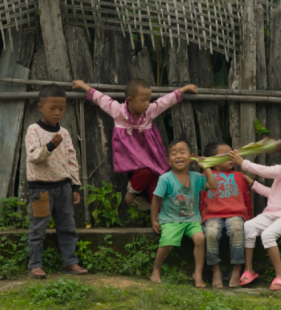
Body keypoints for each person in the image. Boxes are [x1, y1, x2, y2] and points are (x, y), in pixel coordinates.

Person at [72, 79, 198, 207]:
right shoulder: (118, 111)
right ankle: (133, 190)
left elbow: (165, 101)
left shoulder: (149, 112)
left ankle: (161, 216)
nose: (147, 104)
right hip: (131, 157)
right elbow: (101, 98)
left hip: (149, 155)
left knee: (158, 184)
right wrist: (83, 85)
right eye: (143, 100)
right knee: (144, 173)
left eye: (149, 100)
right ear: (130, 100)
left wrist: (184, 88)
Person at [228, 127, 281, 291]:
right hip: (273, 214)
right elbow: (273, 194)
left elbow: (269, 171)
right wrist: (253, 184)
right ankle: (249, 269)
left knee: (268, 235)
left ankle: (280, 275)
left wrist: (243, 163)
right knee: (248, 227)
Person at [25, 85, 88, 279]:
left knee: (68, 227)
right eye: (52, 108)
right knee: (38, 228)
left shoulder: (65, 133)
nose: (57, 112)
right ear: (40, 107)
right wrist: (51, 145)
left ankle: (70, 262)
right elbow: (34, 156)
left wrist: (75, 186)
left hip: (63, 189)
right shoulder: (33, 130)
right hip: (41, 190)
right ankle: (35, 265)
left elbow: (71, 160)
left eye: (61, 108)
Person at [150, 139, 217, 287]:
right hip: (170, 219)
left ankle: (197, 273)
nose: (178, 156)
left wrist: (205, 167)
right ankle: (156, 268)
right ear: (168, 160)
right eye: (173, 154)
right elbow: (156, 200)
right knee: (168, 243)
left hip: (192, 219)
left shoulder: (196, 177)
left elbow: (213, 185)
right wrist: (154, 220)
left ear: (191, 156)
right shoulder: (165, 179)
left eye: (182, 152)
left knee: (200, 238)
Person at [200, 142, 254, 288]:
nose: (231, 157)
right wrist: (200, 216)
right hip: (212, 215)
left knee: (237, 230)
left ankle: (237, 268)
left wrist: (250, 216)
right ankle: (215, 269)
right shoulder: (206, 175)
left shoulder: (239, 176)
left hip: (236, 213)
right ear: (213, 161)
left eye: (232, 153)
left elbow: (246, 199)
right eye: (225, 155)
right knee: (210, 233)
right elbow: (201, 197)